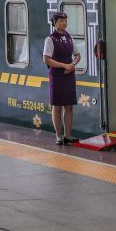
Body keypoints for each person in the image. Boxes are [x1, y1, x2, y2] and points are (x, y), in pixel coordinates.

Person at [44, 11, 81, 145]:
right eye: (61, 21)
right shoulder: (50, 39)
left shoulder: (69, 37)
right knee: (57, 106)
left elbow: (77, 55)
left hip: (69, 75)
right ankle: (59, 136)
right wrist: (65, 65)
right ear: (55, 23)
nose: (64, 23)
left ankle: (68, 135)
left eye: (65, 21)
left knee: (69, 106)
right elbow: (47, 59)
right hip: (57, 76)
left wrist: (72, 65)